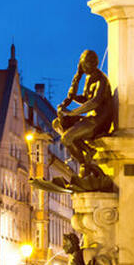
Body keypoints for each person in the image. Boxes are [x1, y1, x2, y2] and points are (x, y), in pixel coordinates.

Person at [54, 50, 115, 183]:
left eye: (86, 65)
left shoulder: (101, 80)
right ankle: (87, 151)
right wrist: (72, 97)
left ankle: (83, 163)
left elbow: (94, 102)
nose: (85, 68)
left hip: (99, 121)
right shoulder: (88, 77)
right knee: (58, 123)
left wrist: (72, 112)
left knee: (66, 138)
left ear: (94, 64)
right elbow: (86, 98)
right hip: (90, 118)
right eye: (83, 65)